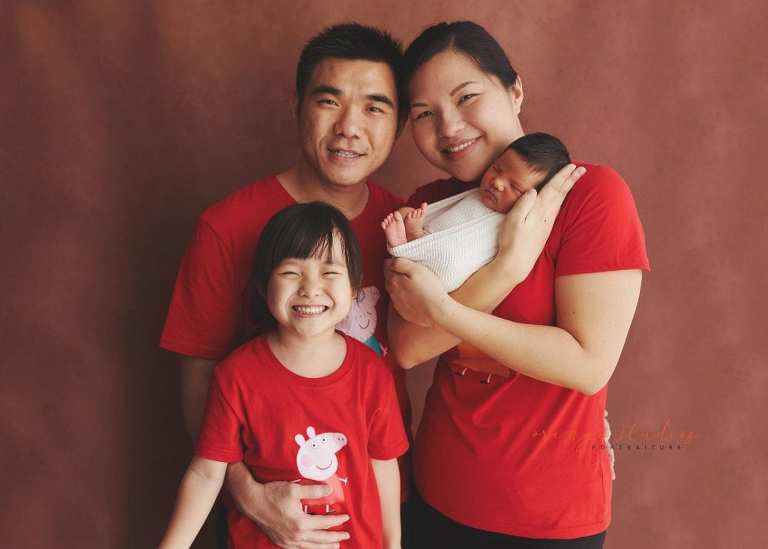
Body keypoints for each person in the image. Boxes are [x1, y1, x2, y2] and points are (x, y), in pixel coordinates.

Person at [385, 21, 650, 548]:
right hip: (438, 489)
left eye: (467, 97)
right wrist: (508, 267)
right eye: (424, 114)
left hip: (550, 513)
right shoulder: (428, 208)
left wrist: (446, 311)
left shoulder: (590, 194)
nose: (449, 126)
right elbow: (409, 347)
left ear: (515, 90)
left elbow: (586, 364)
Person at [160, 23, 410, 548]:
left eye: (374, 108)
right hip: (264, 516)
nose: (350, 127)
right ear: (298, 106)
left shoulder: (404, 229)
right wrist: (251, 496)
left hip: (370, 512)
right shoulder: (227, 227)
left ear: (399, 123)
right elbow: (200, 389)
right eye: (329, 101)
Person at [160, 203, 408, 549]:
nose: (310, 288)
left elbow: (383, 464)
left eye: (329, 273)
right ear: (264, 286)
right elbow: (206, 473)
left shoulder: (372, 373)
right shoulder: (236, 375)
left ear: (354, 289)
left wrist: (392, 544)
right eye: (291, 272)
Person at [381, 133, 570, 291]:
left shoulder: (511, 223)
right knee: (406, 213)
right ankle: (414, 241)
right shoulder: (475, 194)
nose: (497, 182)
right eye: (496, 168)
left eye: (515, 187)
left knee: (447, 263)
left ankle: (413, 243)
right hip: (432, 238)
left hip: (447, 271)